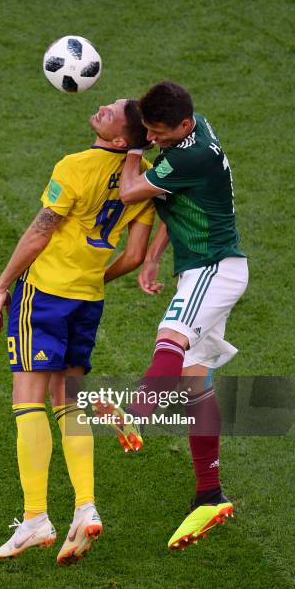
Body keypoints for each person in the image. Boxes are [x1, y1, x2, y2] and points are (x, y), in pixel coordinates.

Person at [0, 99, 154, 565]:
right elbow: (135, 255)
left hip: (44, 293)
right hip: (87, 299)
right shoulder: (141, 183)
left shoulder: (75, 165)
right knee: (69, 401)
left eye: (114, 111)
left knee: (28, 400)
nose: (103, 106)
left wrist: (4, 283)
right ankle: (85, 505)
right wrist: (89, 279)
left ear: (121, 140)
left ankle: (36, 517)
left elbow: (42, 232)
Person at [104, 81, 248, 551]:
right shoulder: (193, 129)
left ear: (183, 125)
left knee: (171, 335)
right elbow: (178, 202)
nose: (155, 139)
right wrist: (153, 257)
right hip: (206, 268)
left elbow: (130, 193)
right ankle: (210, 494)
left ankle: (137, 412)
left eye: (161, 133)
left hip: (214, 268)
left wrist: (134, 148)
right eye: (149, 131)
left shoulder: (189, 154)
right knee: (194, 383)